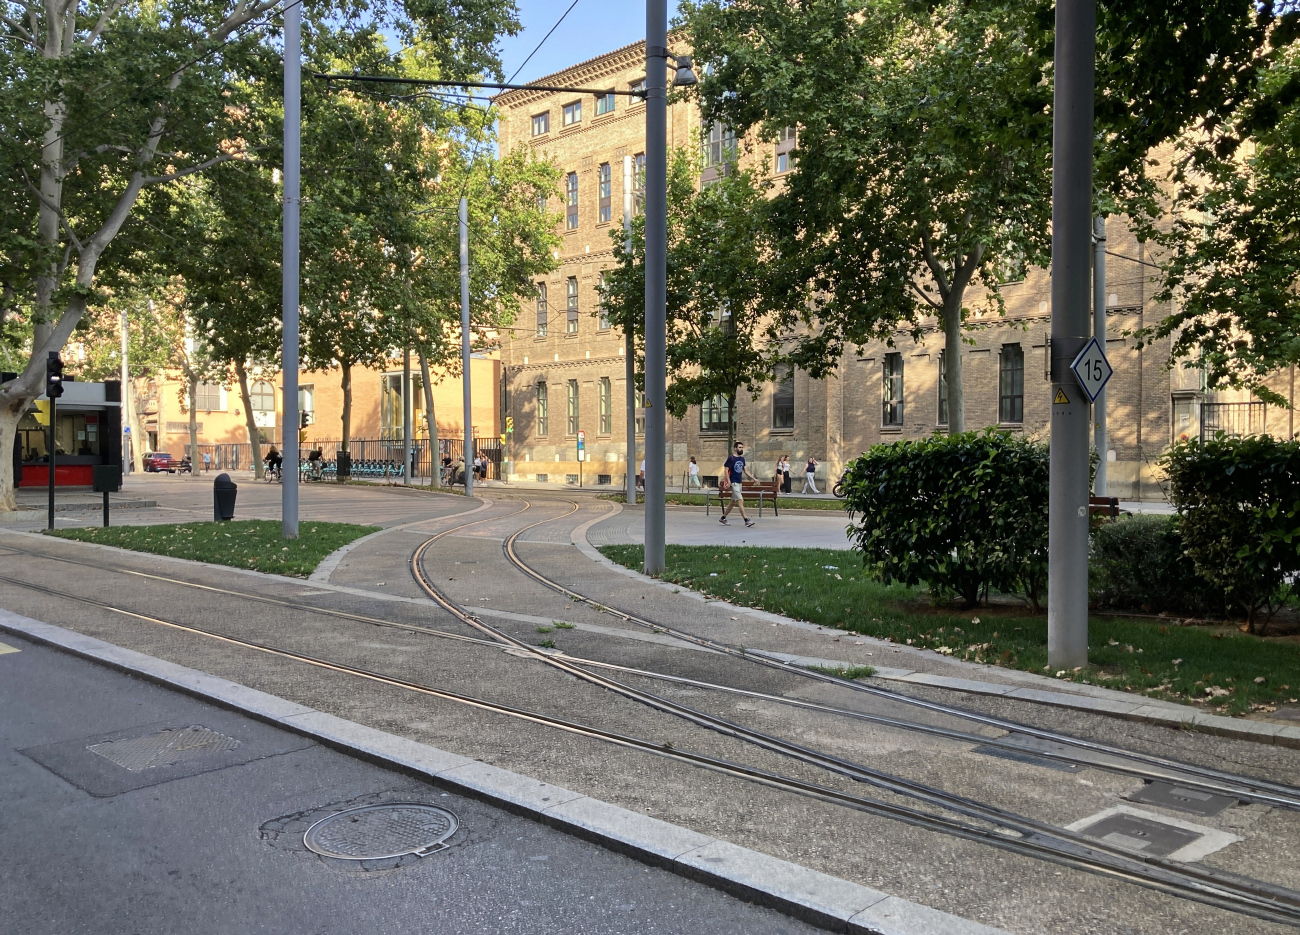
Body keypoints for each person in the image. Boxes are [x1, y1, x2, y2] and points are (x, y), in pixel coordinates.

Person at [719, 441, 757, 528]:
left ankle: (723, 518)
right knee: (740, 500)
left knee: (732, 502)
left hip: (739, 483)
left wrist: (753, 478)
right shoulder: (731, 458)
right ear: (735, 448)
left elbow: (745, 471)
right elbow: (726, 470)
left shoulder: (742, 459)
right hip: (733, 483)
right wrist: (728, 481)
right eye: (740, 447)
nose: (741, 449)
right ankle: (746, 520)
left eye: (742, 447)